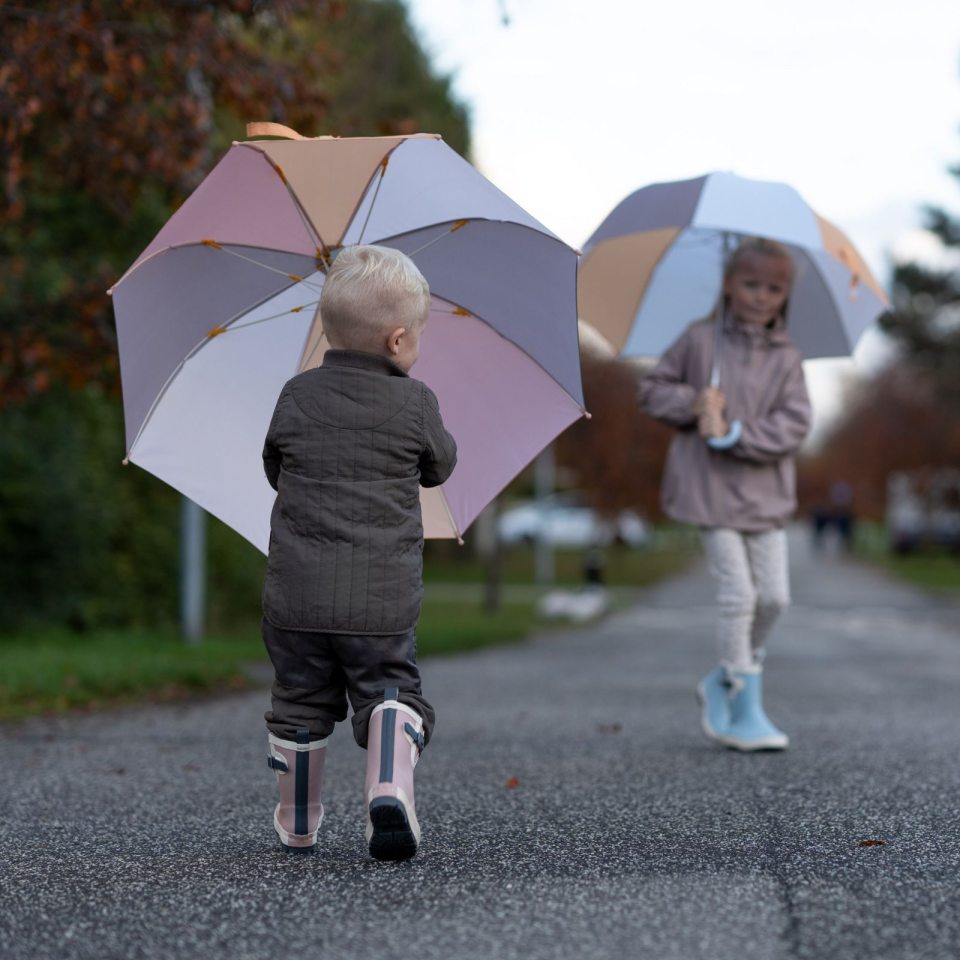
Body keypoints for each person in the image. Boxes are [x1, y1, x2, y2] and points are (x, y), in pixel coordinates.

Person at [260, 244, 457, 859]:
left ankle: (298, 820)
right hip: (380, 599)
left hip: (295, 597)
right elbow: (440, 465)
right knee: (389, 690)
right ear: (397, 340)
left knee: (299, 698)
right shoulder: (415, 401)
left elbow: (274, 467)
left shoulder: (295, 394)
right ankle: (390, 786)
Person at [638, 238, 811, 751]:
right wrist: (694, 402)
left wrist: (734, 432)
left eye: (773, 289)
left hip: (765, 494)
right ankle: (743, 707)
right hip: (709, 490)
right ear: (729, 285)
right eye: (751, 284)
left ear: (785, 295)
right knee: (740, 596)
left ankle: (724, 676)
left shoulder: (787, 356)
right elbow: (651, 390)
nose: (761, 296)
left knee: (774, 598)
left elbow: (796, 422)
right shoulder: (699, 340)